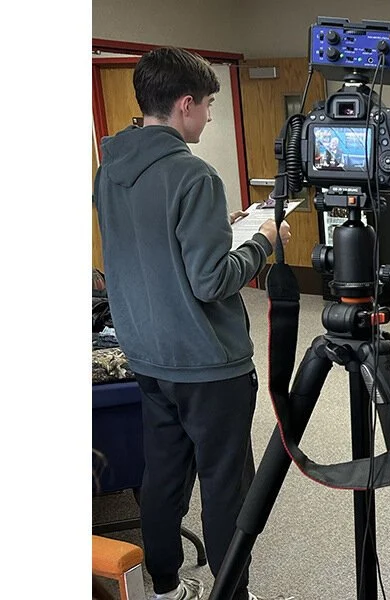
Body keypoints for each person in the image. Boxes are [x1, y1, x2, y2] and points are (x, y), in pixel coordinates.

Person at [93, 47, 291, 600]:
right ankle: (231, 593)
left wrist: (220, 229)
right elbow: (211, 281)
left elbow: (151, 248)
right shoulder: (194, 175)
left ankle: (162, 589)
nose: (208, 116)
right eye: (206, 105)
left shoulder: (110, 170)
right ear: (185, 105)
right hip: (209, 365)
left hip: (147, 357)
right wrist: (262, 241)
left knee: (163, 478)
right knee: (227, 489)